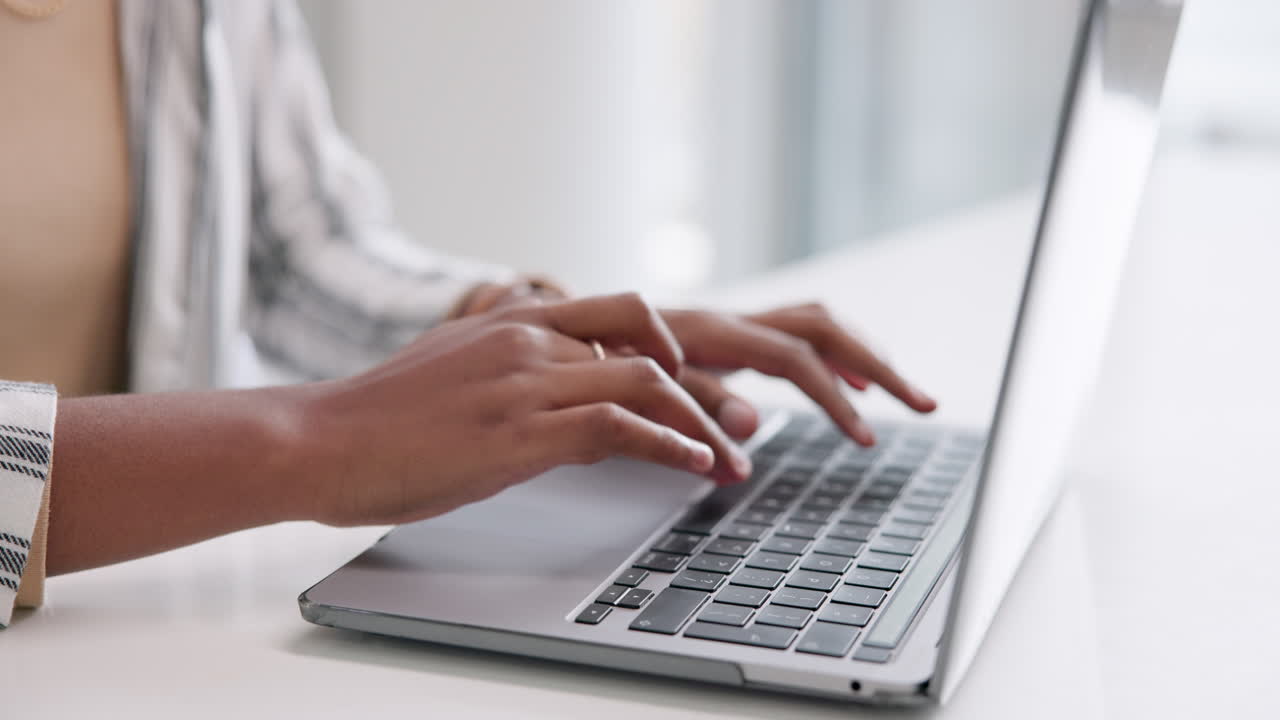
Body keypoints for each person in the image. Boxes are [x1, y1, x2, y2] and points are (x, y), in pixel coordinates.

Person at [0, 0, 935, 628]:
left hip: (124, 630)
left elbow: (292, 249)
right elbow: (313, 426)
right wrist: (317, 440)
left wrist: (544, 336)